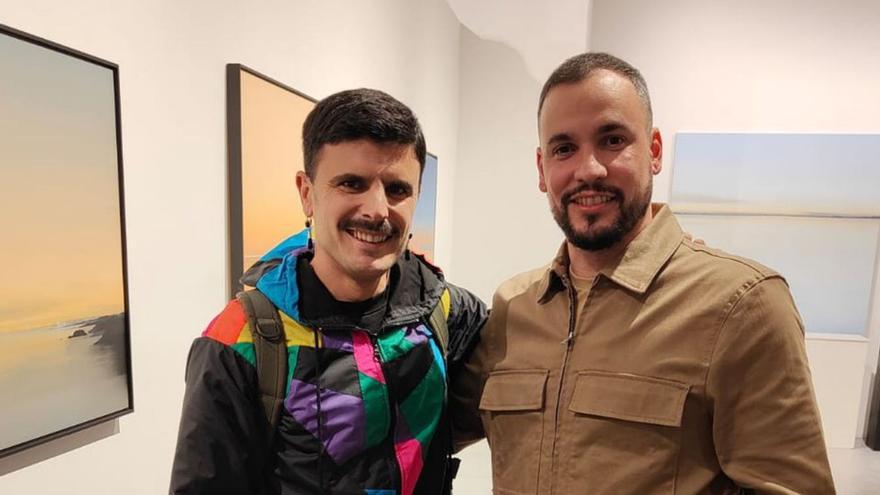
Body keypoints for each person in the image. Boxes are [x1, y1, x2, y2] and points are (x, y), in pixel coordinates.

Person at [450, 53, 835, 494]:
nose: (588, 169)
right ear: (542, 170)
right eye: (564, 149)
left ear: (653, 151)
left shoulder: (741, 304)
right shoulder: (514, 306)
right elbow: (422, 429)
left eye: (612, 140)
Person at [170, 88, 486, 495]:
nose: (376, 210)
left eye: (397, 189)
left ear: (418, 196)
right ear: (307, 193)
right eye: (351, 183)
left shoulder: (441, 307)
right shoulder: (239, 341)